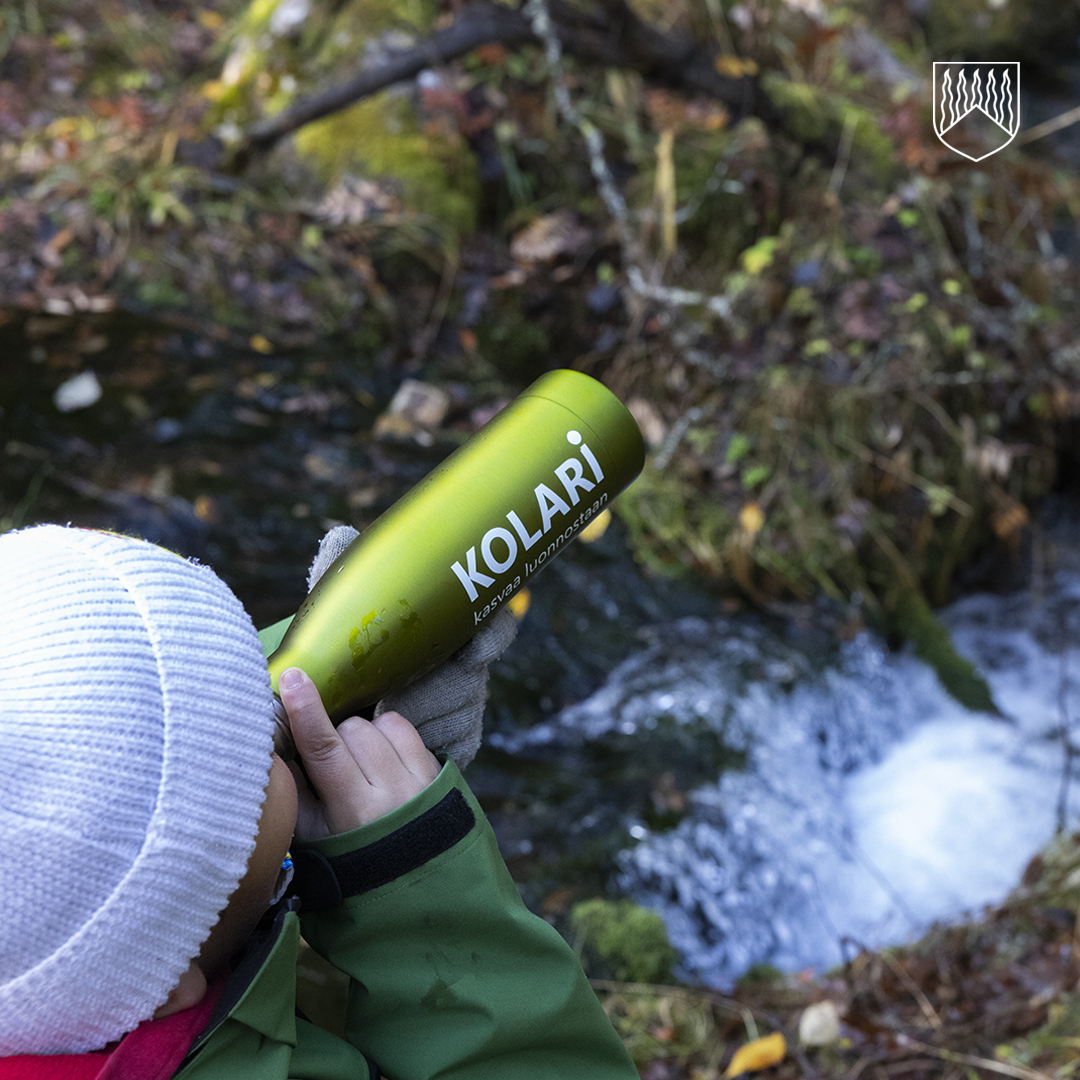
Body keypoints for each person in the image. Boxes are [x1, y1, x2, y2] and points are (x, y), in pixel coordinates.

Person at [0, 524, 639, 1080]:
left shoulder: (76, 966)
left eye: (245, 670)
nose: (269, 720)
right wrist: (409, 885)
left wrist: (345, 650)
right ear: (164, 980)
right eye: (252, 761)